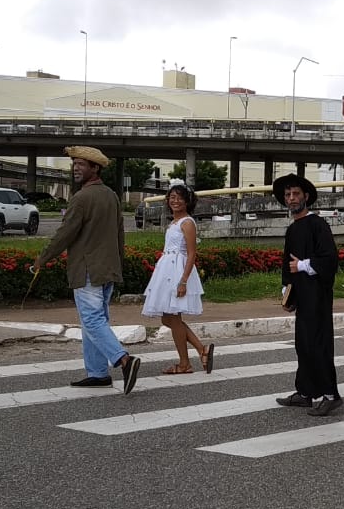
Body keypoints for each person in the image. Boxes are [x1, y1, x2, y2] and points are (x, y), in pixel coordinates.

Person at [32, 146, 142, 394]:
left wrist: (42, 259)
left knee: (91, 320)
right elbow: (119, 234)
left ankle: (123, 360)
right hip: (107, 269)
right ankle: (98, 373)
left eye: (82, 164)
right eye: (75, 164)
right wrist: (118, 264)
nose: (76, 168)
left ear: (96, 168)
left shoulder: (81, 199)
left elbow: (64, 234)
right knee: (95, 320)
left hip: (87, 269)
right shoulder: (112, 196)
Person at [272, 173, 342, 416]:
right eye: (288, 195)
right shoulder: (293, 228)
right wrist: (286, 289)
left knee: (319, 343)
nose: (291, 198)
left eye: (296, 194)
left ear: (306, 197)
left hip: (318, 293)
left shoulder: (318, 225)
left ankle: (330, 394)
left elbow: (330, 259)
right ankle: (305, 392)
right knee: (303, 344)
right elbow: (286, 261)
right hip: (301, 293)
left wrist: (302, 266)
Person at [141, 183, 214, 374]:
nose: (175, 201)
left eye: (179, 197)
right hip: (166, 270)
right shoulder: (174, 222)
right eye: (172, 197)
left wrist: (183, 281)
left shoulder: (187, 222)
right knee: (168, 318)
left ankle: (185, 362)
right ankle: (200, 350)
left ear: (187, 201)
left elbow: (191, 254)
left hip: (177, 272)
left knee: (172, 317)